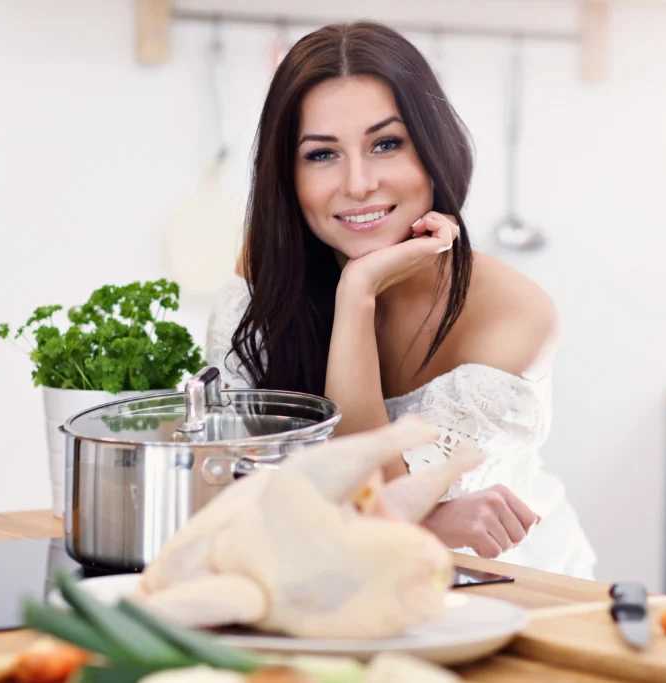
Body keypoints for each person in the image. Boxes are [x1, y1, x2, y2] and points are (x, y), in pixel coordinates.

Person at [205, 21, 597, 579]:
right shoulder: (261, 287)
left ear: (432, 150)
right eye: (321, 154)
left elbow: (373, 494)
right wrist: (426, 519)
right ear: (286, 176)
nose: (359, 183)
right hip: (319, 581)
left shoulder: (515, 316)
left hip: (506, 584)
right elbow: (232, 494)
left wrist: (357, 291)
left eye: (386, 144)